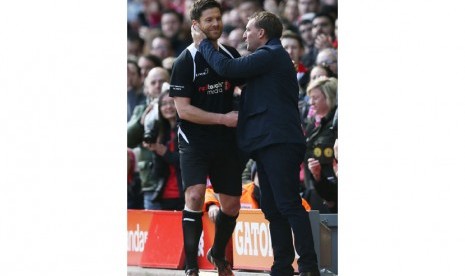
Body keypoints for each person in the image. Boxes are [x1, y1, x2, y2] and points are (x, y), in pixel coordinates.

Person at [192, 10, 320, 276]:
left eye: (249, 30)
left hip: (278, 142)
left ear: (261, 33)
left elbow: (228, 68)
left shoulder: (271, 54)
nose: (246, 34)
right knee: (273, 208)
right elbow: (234, 74)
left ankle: (309, 267)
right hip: (267, 143)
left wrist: (204, 42)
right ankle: (282, 266)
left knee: (288, 205)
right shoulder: (267, 60)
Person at [169, 1, 245, 275]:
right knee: (195, 195)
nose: (215, 24)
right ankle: (192, 268)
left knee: (232, 205)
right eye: (209, 20)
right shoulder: (184, 60)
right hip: (194, 140)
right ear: (195, 25)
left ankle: (217, 253)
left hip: (225, 141)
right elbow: (183, 110)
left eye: (218, 18)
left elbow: (246, 86)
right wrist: (225, 118)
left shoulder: (230, 53)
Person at [205, 161, 311, 223]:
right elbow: (209, 192)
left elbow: (309, 219)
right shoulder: (240, 193)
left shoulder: (292, 199)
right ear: (253, 176)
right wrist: (212, 205)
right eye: (262, 175)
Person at [128, 67, 171, 210]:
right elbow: (127, 139)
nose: (158, 85)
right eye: (153, 82)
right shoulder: (141, 109)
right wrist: (142, 121)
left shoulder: (180, 106)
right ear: (146, 87)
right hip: (151, 181)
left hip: (177, 180)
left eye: (162, 81)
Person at [143, 90, 184, 210]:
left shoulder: (186, 130)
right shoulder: (161, 133)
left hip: (186, 194)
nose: (168, 107)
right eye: (164, 104)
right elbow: (157, 173)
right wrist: (155, 151)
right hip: (165, 195)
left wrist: (164, 152)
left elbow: (187, 161)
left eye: (172, 102)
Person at [303, 77, 337, 213]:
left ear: (328, 97)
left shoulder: (336, 124)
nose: (311, 103)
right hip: (314, 187)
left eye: (315, 98)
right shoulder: (312, 124)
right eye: (310, 98)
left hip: (332, 190)